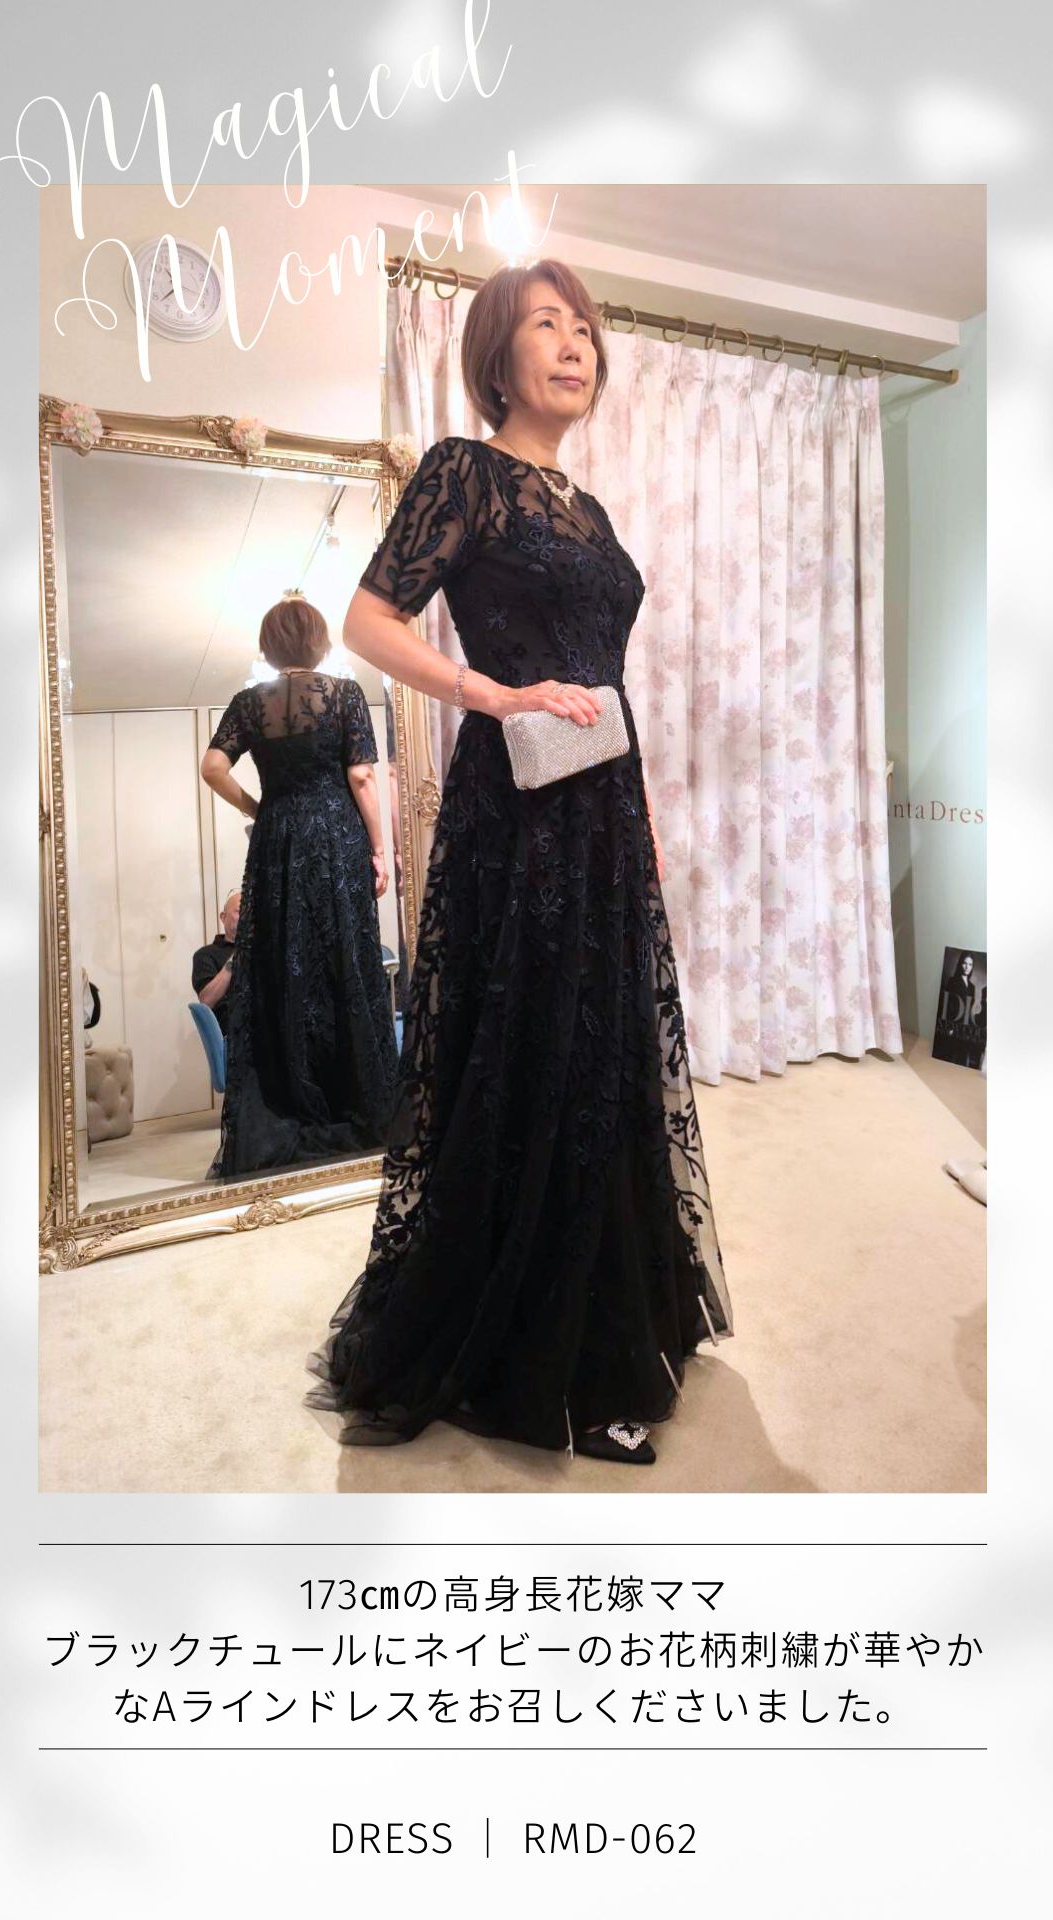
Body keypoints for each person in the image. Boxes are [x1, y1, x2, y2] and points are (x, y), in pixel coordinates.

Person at [306, 258, 732, 1467]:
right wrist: (488, 693)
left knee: (607, 1050)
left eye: (585, 327)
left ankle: (611, 1316)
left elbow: (606, 676)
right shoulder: (464, 471)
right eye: (548, 324)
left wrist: (642, 815)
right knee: (535, 1049)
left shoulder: (588, 509)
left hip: (605, 813)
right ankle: (548, 1355)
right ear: (497, 355)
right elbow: (370, 621)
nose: (576, 342)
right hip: (520, 812)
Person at [199, 595, 400, 1176]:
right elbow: (362, 775)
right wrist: (379, 848)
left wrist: (257, 807)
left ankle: (287, 1102)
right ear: (320, 643)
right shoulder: (345, 694)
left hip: (278, 840)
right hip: (336, 837)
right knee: (344, 958)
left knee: (283, 960)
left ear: (267, 649)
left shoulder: (249, 702)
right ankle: (353, 1102)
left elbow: (212, 767)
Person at [191, 889, 241, 1038]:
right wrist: (236, 957)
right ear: (223, 917)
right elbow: (207, 1000)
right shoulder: (206, 955)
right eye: (239, 911)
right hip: (235, 1035)